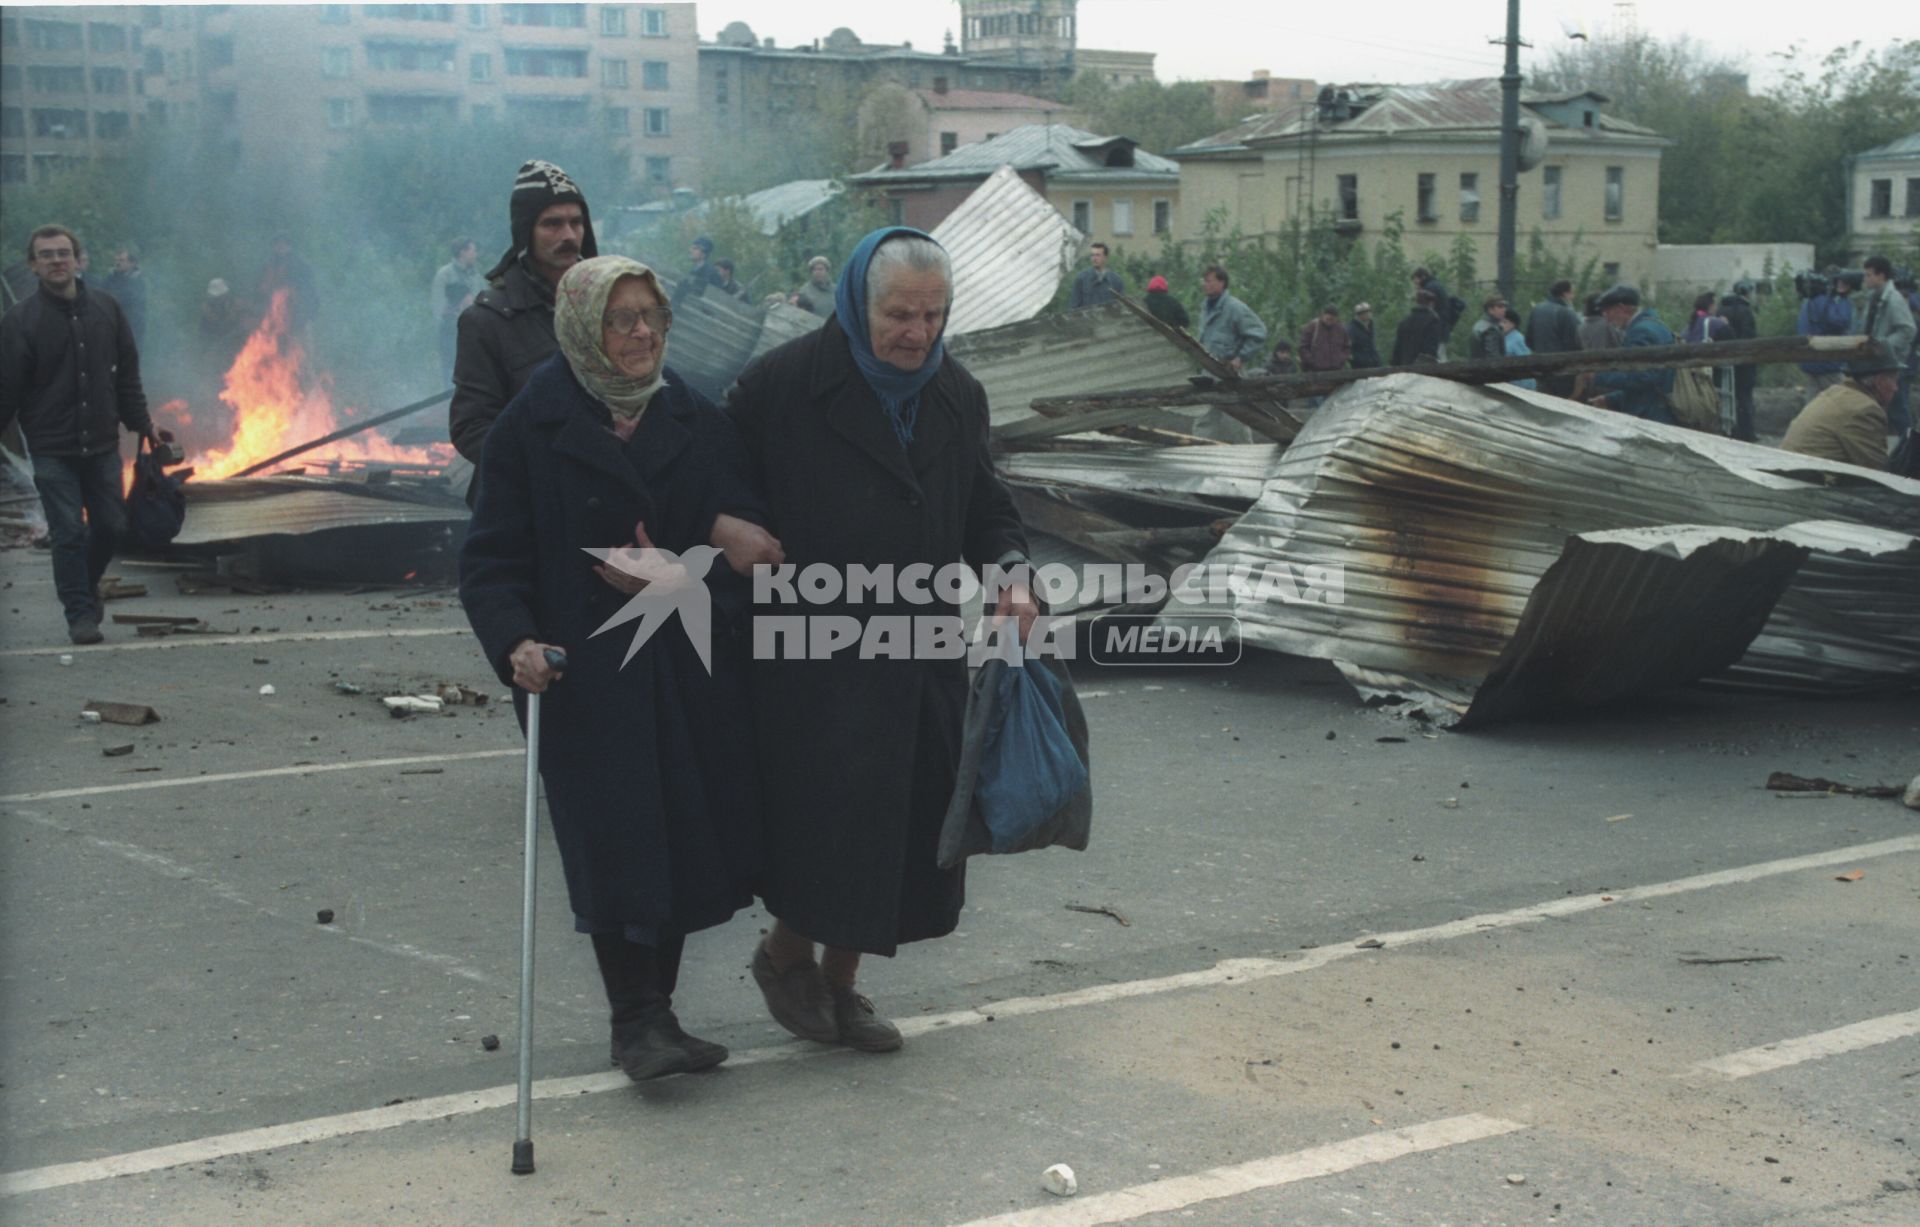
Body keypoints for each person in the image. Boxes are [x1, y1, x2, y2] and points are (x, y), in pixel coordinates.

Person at [459, 255, 781, 1081]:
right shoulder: (528, 430)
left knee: (675, 837)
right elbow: (493, 562)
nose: (642, 333)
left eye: (652, 316)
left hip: (682, 663)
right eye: (622, 318)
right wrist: (515, 644)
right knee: (613, 841)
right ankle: (634, 1018)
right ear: (580, 327)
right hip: (584, 675)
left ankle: (657, 1015)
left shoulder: (698, 420)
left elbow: (753, 555)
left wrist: (679, 572)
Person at [724, 227, 1035, 1053]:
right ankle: (787, 956)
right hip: (814, 647)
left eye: (933, 315)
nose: (918, 333)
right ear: (859, 304)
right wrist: (730, 529)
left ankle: (840, 982)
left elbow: (987, 506)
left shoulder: (956, 395)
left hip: (921, 646)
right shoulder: (780, 386)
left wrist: (1011, 570)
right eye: (900, 313)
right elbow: (720, 483)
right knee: (828, 820)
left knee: (900, 824)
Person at [0, 225, 157, 645]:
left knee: (110, 525)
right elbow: (7, 388)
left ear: (77, 259)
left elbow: (126, 374)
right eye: (46, 255)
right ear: (34, 265)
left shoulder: (107, 308)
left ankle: (85, 588)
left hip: (102, 442)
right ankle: (80, 616)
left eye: (63, 253)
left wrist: (142, 423)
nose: (56, 260)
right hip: (51, 446)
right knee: (68, 530)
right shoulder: (19, 321)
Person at [450, 159, 598, 502]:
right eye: (552, 224)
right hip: (526, 509)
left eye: (576, 223)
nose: (568, 235)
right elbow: (471, 428)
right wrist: (544, 466)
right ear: (525, 231)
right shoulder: (487, 321)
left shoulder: (607, 307)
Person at [1779, 357, 1900, 470]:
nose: (1896, 388)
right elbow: (1879, 470)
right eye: (1894, 380)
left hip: (1793, 473)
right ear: (1879, 382)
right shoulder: (1864, 409)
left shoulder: (1837, 391)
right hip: (1806, 485)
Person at [1587, 284, 1676, 423]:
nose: (1606, 318)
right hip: (1660, 410)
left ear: (1621, 308)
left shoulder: (1640, 332)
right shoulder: (1656, 326)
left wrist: (1599, 375)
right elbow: (1649, 382)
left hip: (1649, 416)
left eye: (1607, 311)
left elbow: (1642, 378)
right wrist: (1610, 399)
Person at [1853, 255, 1917, 434]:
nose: (1866, 279)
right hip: (1874, 362)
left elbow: (1908, 329)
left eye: (1869, 275)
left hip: (1889, 364)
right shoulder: (1874, 298)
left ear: (1881, 276)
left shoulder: (1894, 299)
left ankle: (1911, 448)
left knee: (1897, 408)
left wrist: (1883, 345)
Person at [429, 237, 484, 383]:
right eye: (473, 250)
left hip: (473, 333)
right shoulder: (444, 274)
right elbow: (438, 306)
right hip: (450, 332)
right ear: (462, 252)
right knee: (450, 374)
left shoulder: (475, 275)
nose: (475, 254)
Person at [1797, 271, 1856, 401]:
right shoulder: (1822, 302)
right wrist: (1844, 298)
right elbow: (1841, 322)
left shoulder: (1806, 303)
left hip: (1809, 362)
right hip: (1827, 364)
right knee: (1839, 404)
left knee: (1813, 405)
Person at [1196, 265, 1267, 372]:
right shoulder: (1205, 309)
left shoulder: (1235, 307)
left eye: (1209, 281)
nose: (1205, 285)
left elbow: (1259, 333)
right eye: (1204, 281)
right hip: (1207, 373)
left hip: (1230, 376)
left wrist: (1240, 358)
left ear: (1221, 283)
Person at [1717, 279, 1760, 441]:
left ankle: (1728, 429)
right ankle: (1746, 432)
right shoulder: (1745, 311)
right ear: (1746, 292)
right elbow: (1749, 337)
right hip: (1744, 363)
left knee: (1726, 395)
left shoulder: (1721, 309)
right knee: (1744, 397)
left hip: (1722, 361)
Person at [1524, 279, 1581, 397]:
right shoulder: (1567, 313)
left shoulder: (1536, 310)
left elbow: (1528, 340)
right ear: (1565, 294)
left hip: (1541, 369)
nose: (1573, 296)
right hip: (1562, 372)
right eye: (1572, 293)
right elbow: (1573, 344)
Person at [257, 232, 319, 332]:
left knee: (300, 337)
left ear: (289, 246)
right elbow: (262, 287)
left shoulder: (300, 265)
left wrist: (308, 309)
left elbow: (308, 289)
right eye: (277, 244)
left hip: (296, 309)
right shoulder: (269, 265)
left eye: (284, 243)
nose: (280, 246)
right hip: (273, 308)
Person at [1412, 267, 1462, 359]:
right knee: (1441, 354)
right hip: (1443, 327)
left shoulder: (1429, 289)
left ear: (1422, 277)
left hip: (1437, 328)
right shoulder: (1437, 285)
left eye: (1416, 280)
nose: (1416, 284)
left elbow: (1427, 311)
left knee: (1437, 357)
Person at [102, 245, 147, 348]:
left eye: (122, 260)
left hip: (132, 326)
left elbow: (132, 299)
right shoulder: (111, 277)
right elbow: (102, 293)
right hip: (112, 323)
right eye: (117, 260)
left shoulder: (138, 280)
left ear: (132, 263)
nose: (118, 263)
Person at [1391, 289, 1443, 366]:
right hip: (1423, 368)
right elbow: (1431, 347)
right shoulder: (1433, 320)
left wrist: (1395, 366)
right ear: (1431, 303)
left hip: (1405, 366)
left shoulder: (1404, 321)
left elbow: (1397, 349)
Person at [1069, 242, 1125, 309]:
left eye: (1098, 255)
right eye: (1092, 255)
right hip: (1085, 319)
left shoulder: (1116, 281)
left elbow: (1120, 308)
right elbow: (1073, 307)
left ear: (1105, 258)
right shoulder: (1081, 278)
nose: (1094, 258)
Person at [1298, 303, 1350, 374]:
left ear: (1336, 318)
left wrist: (1341, 359)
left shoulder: (1341, 329)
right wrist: (1311, 361)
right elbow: (1303, 347)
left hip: (1336, 371)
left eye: (1332, 319)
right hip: (1315, 372)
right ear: (1323, 315)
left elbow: (1347, 347)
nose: (1330, 321)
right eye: (1328, 319)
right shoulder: (1312, 327)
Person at [674, 236, 725, 304]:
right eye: (692, 248)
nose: (691, 250)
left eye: (695, 248)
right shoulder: (693, 271)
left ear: (704, 254)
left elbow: (714, 298)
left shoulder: (712, 274)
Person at [1498, 306, 1536, 391]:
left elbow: (1526, 363)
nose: (1500, 325)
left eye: (1505, 322)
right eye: (1499, 322)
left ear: (1513, 325)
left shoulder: (1518, 339)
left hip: (1520, 386)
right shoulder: (1503, 338)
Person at [1348, 302, 1381, 369]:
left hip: (1374, 364)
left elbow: (1372, 346)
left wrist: (1377, 360)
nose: (1369, 314)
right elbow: (1349, 349)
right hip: (1359, 367)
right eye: (1366, 312)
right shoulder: (1351, 329)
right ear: (1359, 314)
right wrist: (1357, 360)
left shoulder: (1370, 326)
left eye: (1369, 311)